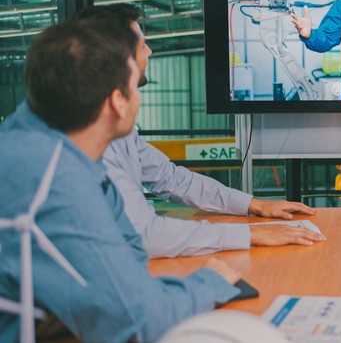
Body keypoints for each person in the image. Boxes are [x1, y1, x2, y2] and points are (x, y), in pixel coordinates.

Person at [0, 20, 243, 342]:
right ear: (118, 100)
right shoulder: (56, 175)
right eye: (134, 83)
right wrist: (212, 281)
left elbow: (130, 251)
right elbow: (141, 318)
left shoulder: (42, 141)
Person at [72, 4, 324, 258]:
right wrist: (252, 235)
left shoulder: (117, 129)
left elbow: (171, 178)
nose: (150, 51)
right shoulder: (89, 142)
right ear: (118, 61)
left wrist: (252, 204)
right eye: (142, 46)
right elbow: (146, 235)